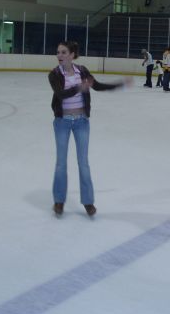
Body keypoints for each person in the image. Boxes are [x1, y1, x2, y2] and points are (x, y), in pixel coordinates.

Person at [48, 41, 130, 217]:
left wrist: (120, 84)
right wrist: (79, 87)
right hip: (62, 122)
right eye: (58, 52)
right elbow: (60, 94)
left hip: (81, 122)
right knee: (61, 163)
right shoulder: (54, 74)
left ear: (72, 54)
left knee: (83, 163)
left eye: (63, 52)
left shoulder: (82, 71)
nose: (59, 55)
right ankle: (59, 201)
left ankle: (88, 201)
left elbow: (98, 86)